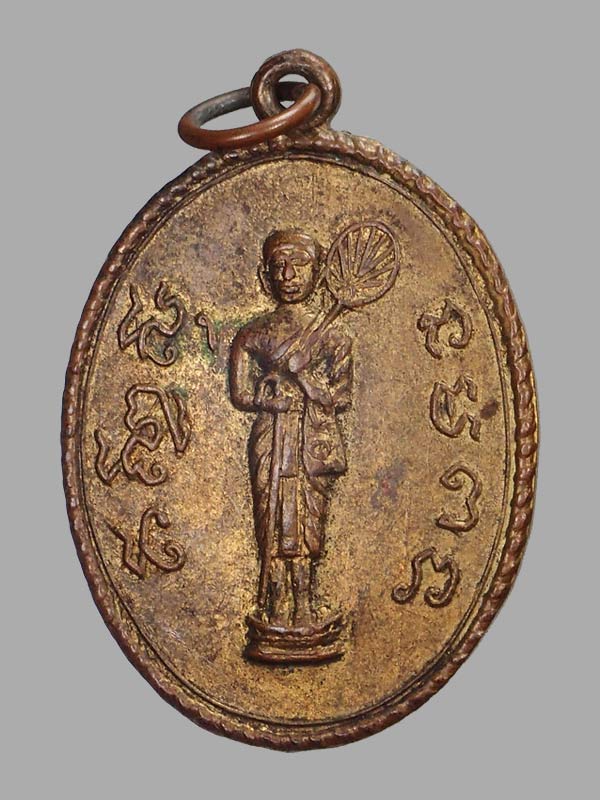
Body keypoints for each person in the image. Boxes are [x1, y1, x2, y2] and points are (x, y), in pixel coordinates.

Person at [229, 230, 353, 628]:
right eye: (279, 265)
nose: (288, 275)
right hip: (271, 435)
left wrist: (306, 379)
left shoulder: (334, 336)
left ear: (318, 272)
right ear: (264, 275)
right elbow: (240, 394)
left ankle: (305, 605)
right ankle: (275, 606)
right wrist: (269, 401)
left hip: (311, 441)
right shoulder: (252, 334)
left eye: (299, 264)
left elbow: (341, 397)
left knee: (308, 521)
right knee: (270, 519)